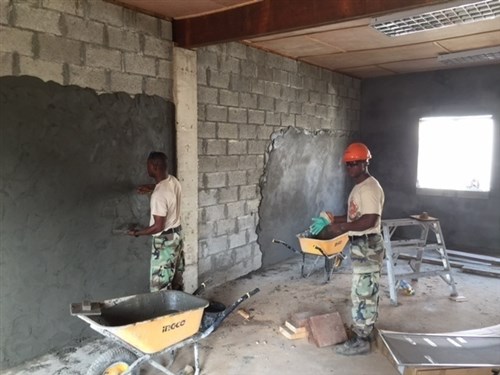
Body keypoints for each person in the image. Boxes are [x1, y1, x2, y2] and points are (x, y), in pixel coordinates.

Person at [309, 142, 385, 356]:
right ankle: (365, 330)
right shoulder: (360, 187)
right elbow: (356, 217)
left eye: (354, 163)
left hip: (368, 245)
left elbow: (370, 220)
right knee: (364, 290)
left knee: (364, 292)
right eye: (348, 164)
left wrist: (340, 227)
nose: (350, 167)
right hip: (362, 246)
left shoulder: (370, 188)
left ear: (365, 163)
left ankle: (362, 340)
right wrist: (331, 219)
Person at [128, 151, 184, 292]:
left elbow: (158, 227)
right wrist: (151, 188)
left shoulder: (159, 196)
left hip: (165, 242)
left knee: (159, 288)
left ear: (154, 166)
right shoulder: (173, 181)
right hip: (177, 236)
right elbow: (165, 190)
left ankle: (165, 313)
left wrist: (137, 232)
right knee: (176, 281)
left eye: (148, 165)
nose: (147, 168)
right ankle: (181, 309)